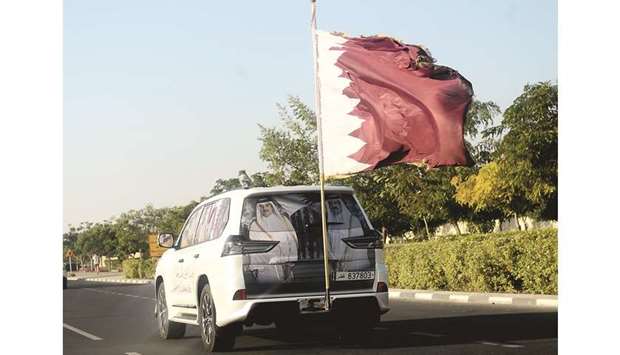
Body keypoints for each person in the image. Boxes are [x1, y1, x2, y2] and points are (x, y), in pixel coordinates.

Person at [247, 201, 299, 282]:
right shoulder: (255, 225)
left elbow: (292, 243)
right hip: (264, 269)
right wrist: (255, 268)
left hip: (285, 266)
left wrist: (290, 264)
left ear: (272, 207)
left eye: (267, 205)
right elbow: (254, 249)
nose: (264, 208)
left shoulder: (284, 221)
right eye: (261, 206)